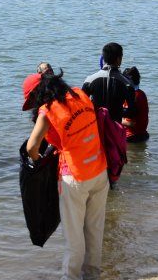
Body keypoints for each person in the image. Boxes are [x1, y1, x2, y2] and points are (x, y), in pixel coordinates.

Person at [23, 70, 108, 280]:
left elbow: (31, 147)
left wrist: (37, 160)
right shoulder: (80, 94)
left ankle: (70, 277)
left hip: (75, 178)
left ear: (38, 94)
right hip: (99, 170)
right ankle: (92, 275)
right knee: (94, 230)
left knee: (74, 236)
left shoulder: (47, 110)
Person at [82, 42, 137, 124]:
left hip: (96, 129)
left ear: (103, 58)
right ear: (119, 59)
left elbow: (81, 107)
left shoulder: (89, 80)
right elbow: (132, 112)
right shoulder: (127, 84)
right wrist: (117, 111)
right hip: (115, 130)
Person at [122, 66, 149, 143]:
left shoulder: (133, 96)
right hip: (142, 134)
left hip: (131, 137)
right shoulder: (141, 94)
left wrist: (114, 118)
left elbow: (131, 123)